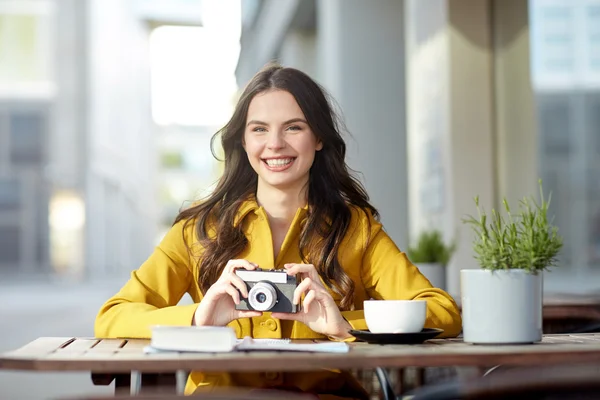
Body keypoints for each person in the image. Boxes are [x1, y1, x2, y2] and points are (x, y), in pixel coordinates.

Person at [94, 63, 462, 399]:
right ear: (243, 140)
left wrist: (343, 326)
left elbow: (443, 311)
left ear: (318, 138)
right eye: (259, 129)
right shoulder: (198, 230)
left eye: (294, 127)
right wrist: (197, 318)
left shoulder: (356, 229)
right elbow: (112, 315)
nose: (275, 144)